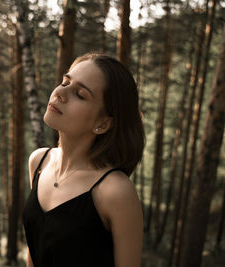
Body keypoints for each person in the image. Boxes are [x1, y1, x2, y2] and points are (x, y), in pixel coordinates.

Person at [22, 52, 145, 267]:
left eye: (80, 94)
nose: (59, 92)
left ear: (103, 124)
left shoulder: (116, 191)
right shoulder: (39, 162)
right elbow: (35, 251)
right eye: (64, 82)